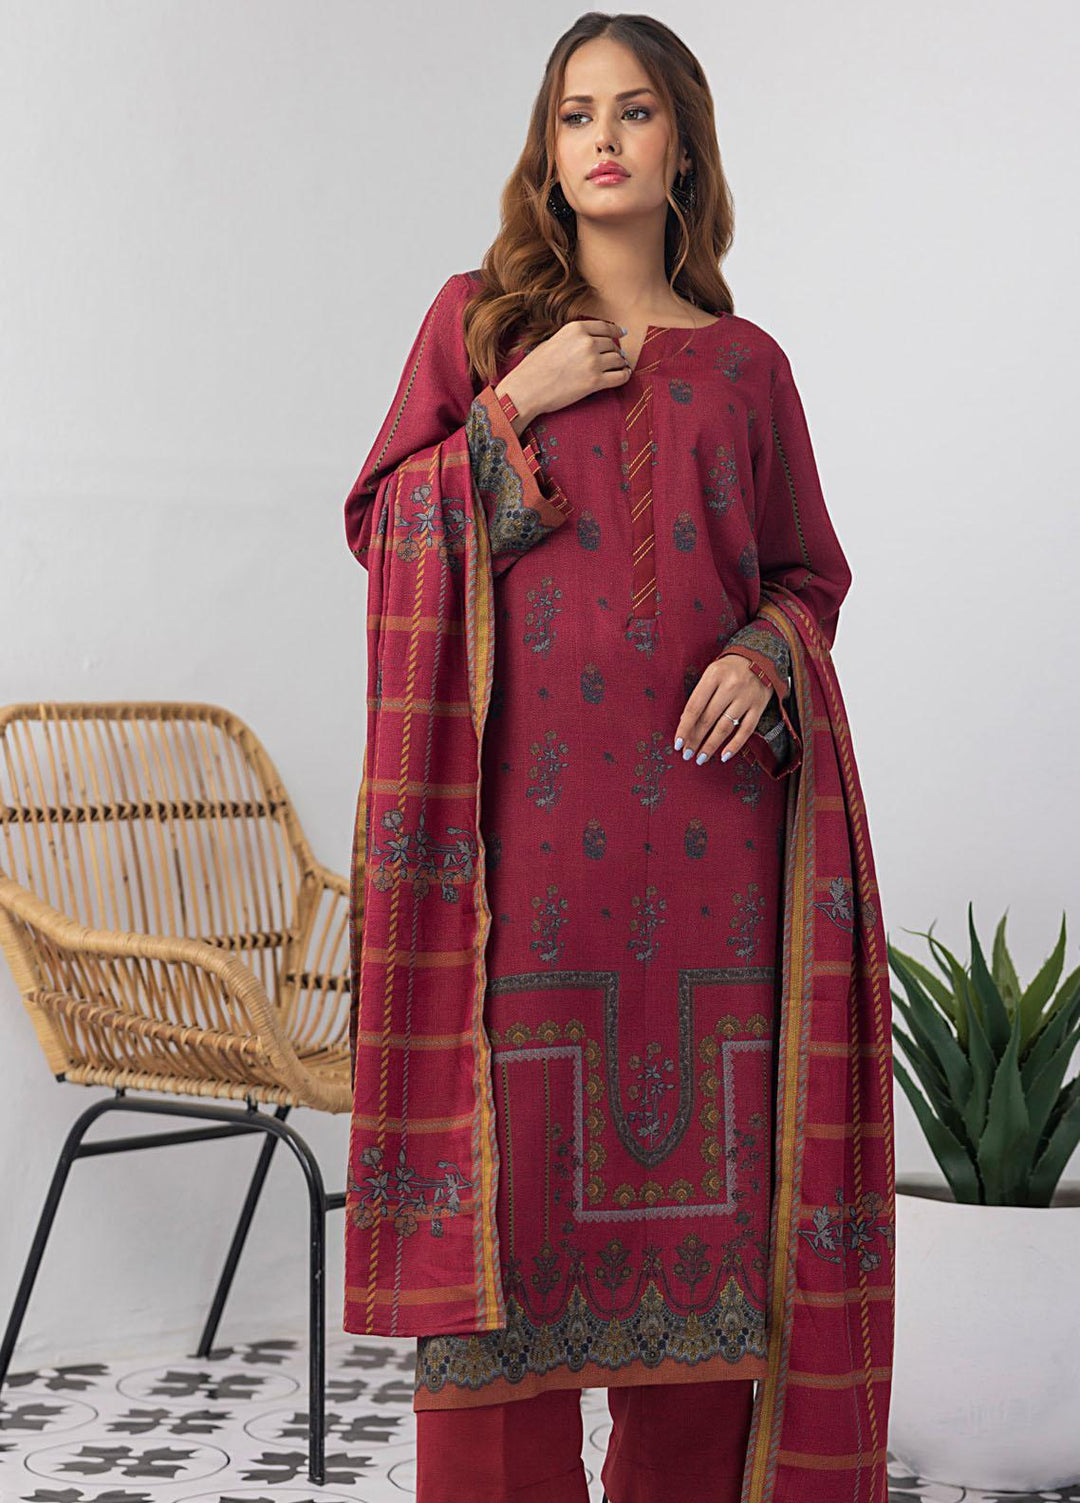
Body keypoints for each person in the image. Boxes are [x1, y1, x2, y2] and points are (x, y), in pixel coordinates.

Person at [342, 13, 896, 1503]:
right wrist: (517, 404)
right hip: (513, 874)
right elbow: (382, 529)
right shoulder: (480, 324)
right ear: (548, 150)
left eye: (635, 111)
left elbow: (809, 574)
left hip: (716, 878)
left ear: (683, 149)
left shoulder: (749, 368)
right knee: (504, 1248)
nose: (603, 138)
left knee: (716, 1260)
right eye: (577, 113)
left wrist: (763, 652)